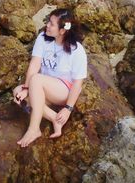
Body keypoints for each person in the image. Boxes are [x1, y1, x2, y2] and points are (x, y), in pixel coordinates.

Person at [13, 8, 87, 147]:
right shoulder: (43, 38)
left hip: (63, 90)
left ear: (62, 30)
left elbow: (78, 84)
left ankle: (34, 129)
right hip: (41, 86)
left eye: (51, 24)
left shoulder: (77, 50)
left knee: (36, 79)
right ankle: (54, 118)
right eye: (48, 21)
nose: (47, 25)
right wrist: (25, 89)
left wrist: (68, 108)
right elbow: (34, 64)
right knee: (18, 92)